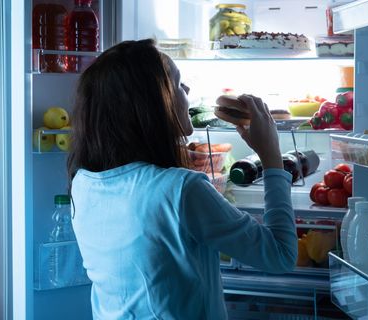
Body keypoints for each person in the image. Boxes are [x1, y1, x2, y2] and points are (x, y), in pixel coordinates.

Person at [67, 39, 297, 319]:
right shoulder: (181, 189)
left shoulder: (83, 183)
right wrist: (271, 155)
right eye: (177, 83)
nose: (186, 89)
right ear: (151, 103)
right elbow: (280, 255)